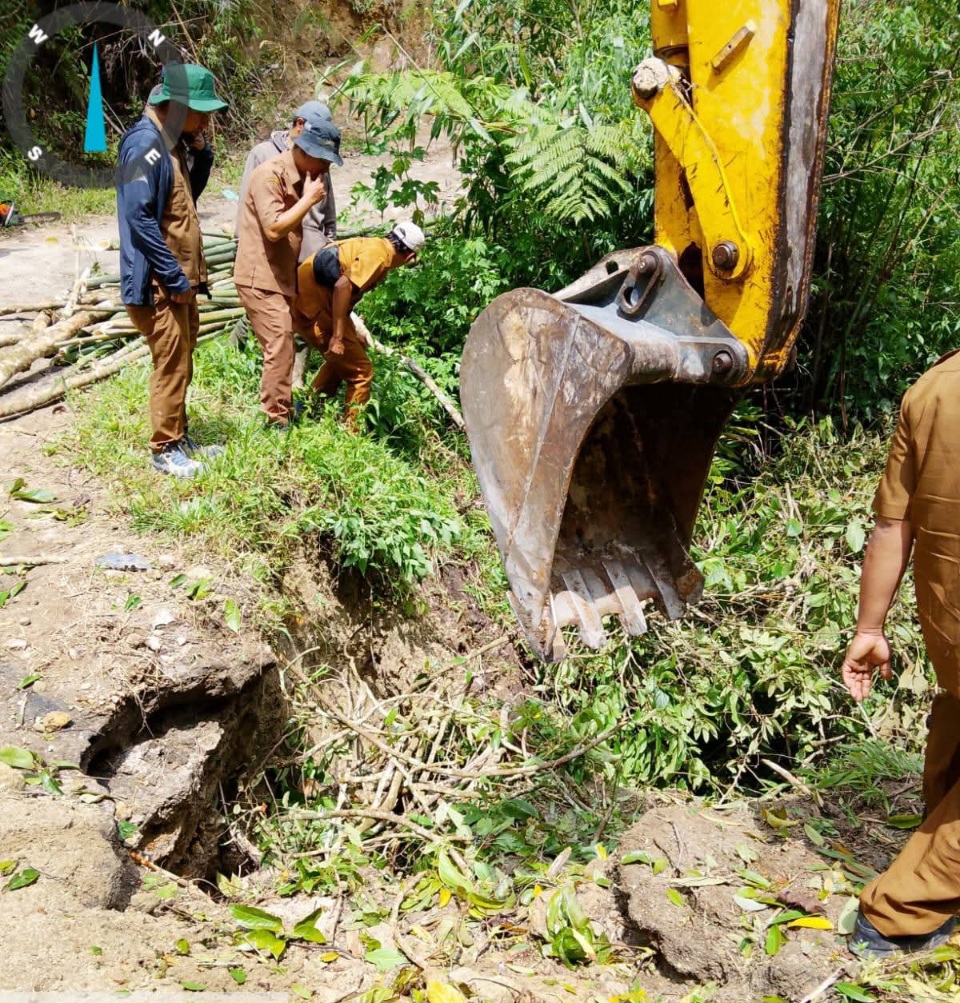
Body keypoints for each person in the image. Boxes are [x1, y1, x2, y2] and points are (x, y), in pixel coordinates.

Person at [841, 350, 960, 959]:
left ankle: (936, 826)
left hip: (949, 622)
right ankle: (901, 910)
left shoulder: (933, 387)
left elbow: (892, 525)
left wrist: (870, 627)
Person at [117, 63, 228, 477]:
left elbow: (183, 201)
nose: (206, 122)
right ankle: (164, 449)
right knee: (171, 363)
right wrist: (173, 276)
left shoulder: (169, 143)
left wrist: (203, 155)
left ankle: (179, 437)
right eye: (201, 113)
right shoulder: (144, 145)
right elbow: (138, 216)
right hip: (159, 283)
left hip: (177, 280)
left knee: (183, 358)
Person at [235, 119, 343, 428]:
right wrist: (308, 200)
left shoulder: (302, 176)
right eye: (324, 161)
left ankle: (282, 410)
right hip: (260, 276)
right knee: (280, 345)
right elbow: (273, 229)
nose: (327, 169)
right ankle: (276, 420)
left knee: (284, 344)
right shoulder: (269, 175)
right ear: (306, 152)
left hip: (281, 276)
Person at [291, 221, 425, 429]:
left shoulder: (374, 245)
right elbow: (342, 286)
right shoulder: (379, 257)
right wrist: (337, 337)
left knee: (350, 353)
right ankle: (351, 434)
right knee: (362, 371)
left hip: (313, 303)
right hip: (312, 310)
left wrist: (350, 330)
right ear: (408, 257)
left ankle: (307, 408)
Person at [238, 100, 338, 262]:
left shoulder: (320, 161)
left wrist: (330, 244)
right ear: (300, 124)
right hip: (276, 253)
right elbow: (246, 208)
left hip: (312, 255)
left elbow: (329, 213)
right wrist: (239, 245)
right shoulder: (264, 156)